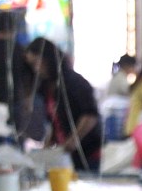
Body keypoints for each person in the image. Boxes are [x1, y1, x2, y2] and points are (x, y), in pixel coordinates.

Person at [25, 37, 103, 172]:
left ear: (48, 59)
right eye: (32, 65)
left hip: (86, 151)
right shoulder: (47, 87)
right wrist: (47, 146)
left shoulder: (74, 82)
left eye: (37, 62)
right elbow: (55, 121)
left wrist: (73, 140)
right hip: (67, 153)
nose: (36, 69)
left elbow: (90, 115)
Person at [0, 10, 34, 136]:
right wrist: (28, 98)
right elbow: (28, 78)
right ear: (13, 29)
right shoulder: (19, 49)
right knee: (14, 135)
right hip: (15, 99)